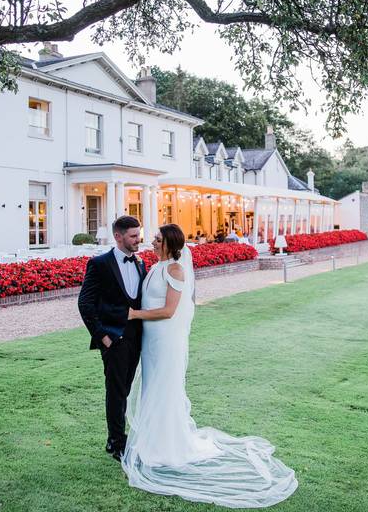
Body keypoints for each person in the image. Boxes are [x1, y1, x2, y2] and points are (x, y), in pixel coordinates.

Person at [121, 223, 297, 507]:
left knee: (165, 387)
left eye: (157, 239)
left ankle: (166, 444)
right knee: (152, 386)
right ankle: (152, 440)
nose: (151, 242)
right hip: (150, 341)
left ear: (169, 243)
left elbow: (169, 311)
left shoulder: (175, 269)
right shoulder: (154, 267)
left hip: (166, 340)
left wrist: (134, 314)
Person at [76, 215, 145, 461]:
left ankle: (118, 437)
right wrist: (102, 337)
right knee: (115, 391)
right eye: (133, 236)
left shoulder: (140, 263)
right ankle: (116, 441)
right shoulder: (99, 264)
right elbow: (85, 303)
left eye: (139, 234)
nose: (139, 240)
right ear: (118, 237)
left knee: (124, 389)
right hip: (114, 339)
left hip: (137, 338)